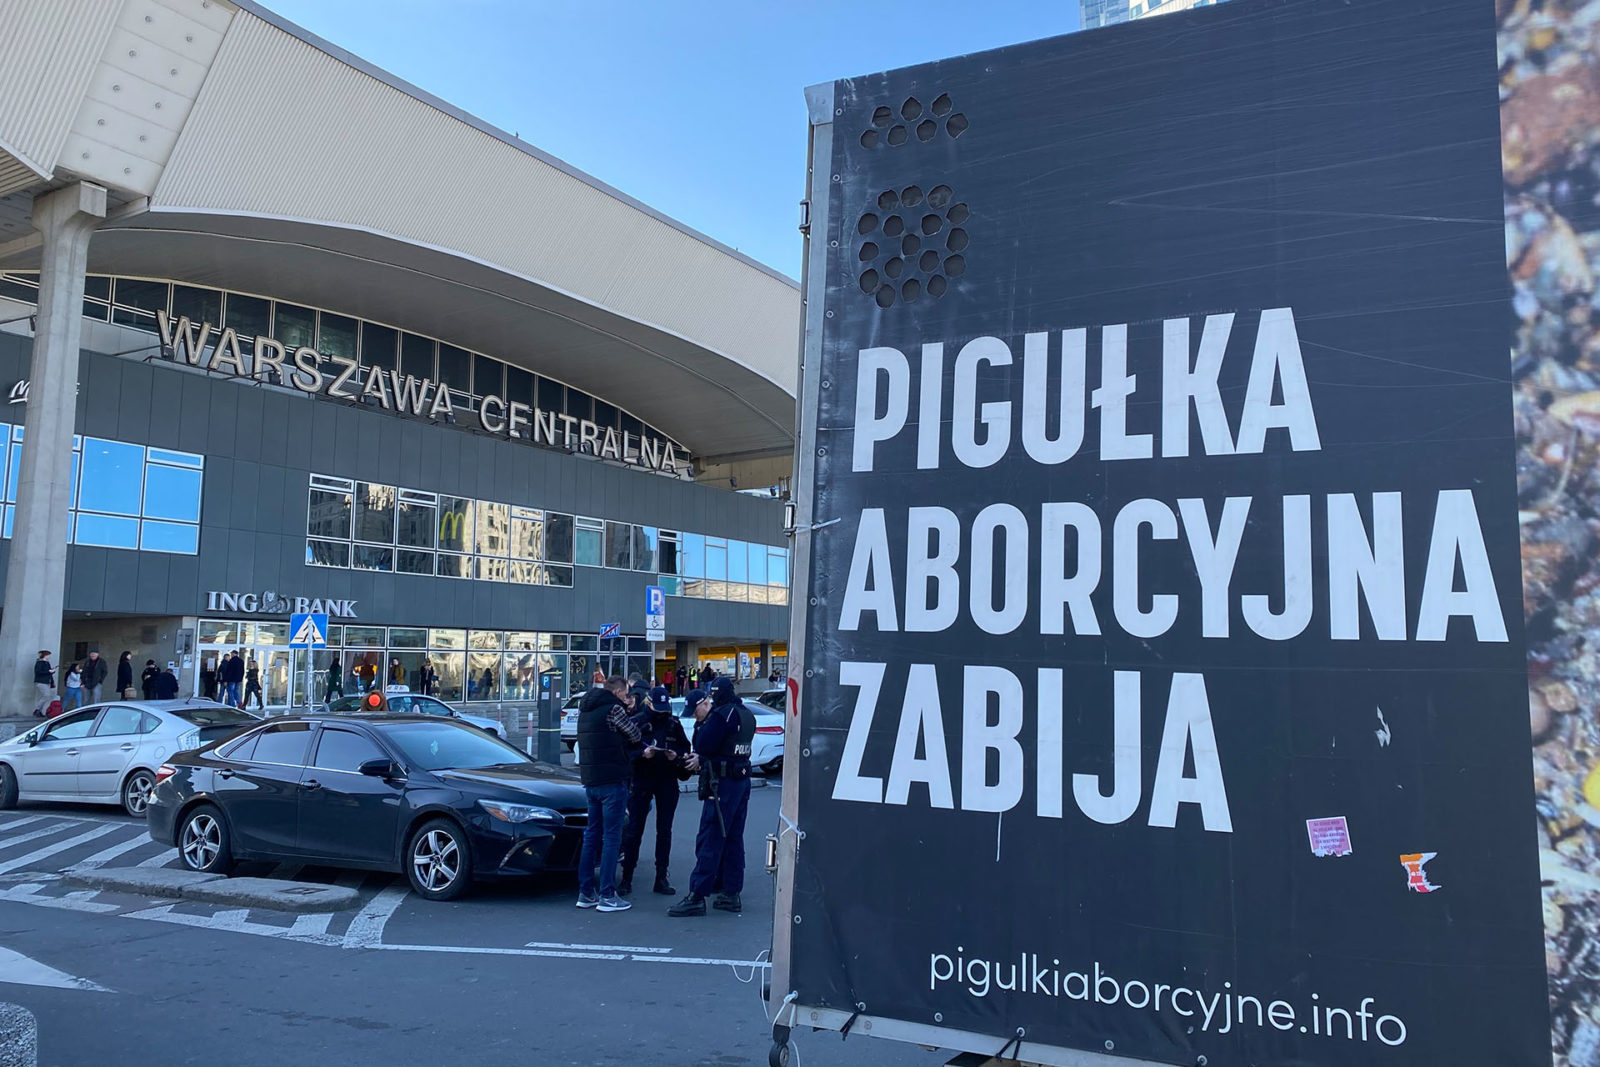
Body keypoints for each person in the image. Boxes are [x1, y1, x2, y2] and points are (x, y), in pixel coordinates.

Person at [670, 677, 756, 917]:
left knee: (710, 837)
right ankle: (731, 892)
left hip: (722, 784)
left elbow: (704, 746)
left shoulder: (721, 716)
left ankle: (697, 895)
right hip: (741, 780)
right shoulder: (746, 714)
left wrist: (701, 736)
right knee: (733, 838)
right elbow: (735, 749)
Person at [575, 675, 642, 912]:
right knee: (612, 838)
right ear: (617, 693)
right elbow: (634, 735)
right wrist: (629, 710)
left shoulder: (585, 709)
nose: (627, 698)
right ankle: (607, 895)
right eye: (625, 694)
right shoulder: (613, 709)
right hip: (613, 779)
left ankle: (586, 893)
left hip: (591, 780)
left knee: (591, 835)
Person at [618, 683, 691, 896]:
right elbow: (624, 754)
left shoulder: (673, 724)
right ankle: (627, 877)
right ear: (648, 704)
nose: (661, 713)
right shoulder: (636, 723)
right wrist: (642, 755)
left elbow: (685, 748)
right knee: (634, 831)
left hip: (667, 779)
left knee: (665, 831)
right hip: (642, 779)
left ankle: (661, 877)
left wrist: (676, 756)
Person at [32, 650, 54, 717]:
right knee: (47, 695)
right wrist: (49, 671)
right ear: (45, 655)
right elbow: (38, 672)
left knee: (47, 695)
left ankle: (39, 711)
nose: (49, 656)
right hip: (40, 681)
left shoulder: (47, 663)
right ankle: (37, 709)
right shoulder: (40, 663)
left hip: (46, 681)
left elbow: (48, 673)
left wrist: (52, 680)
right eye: (48, 655)